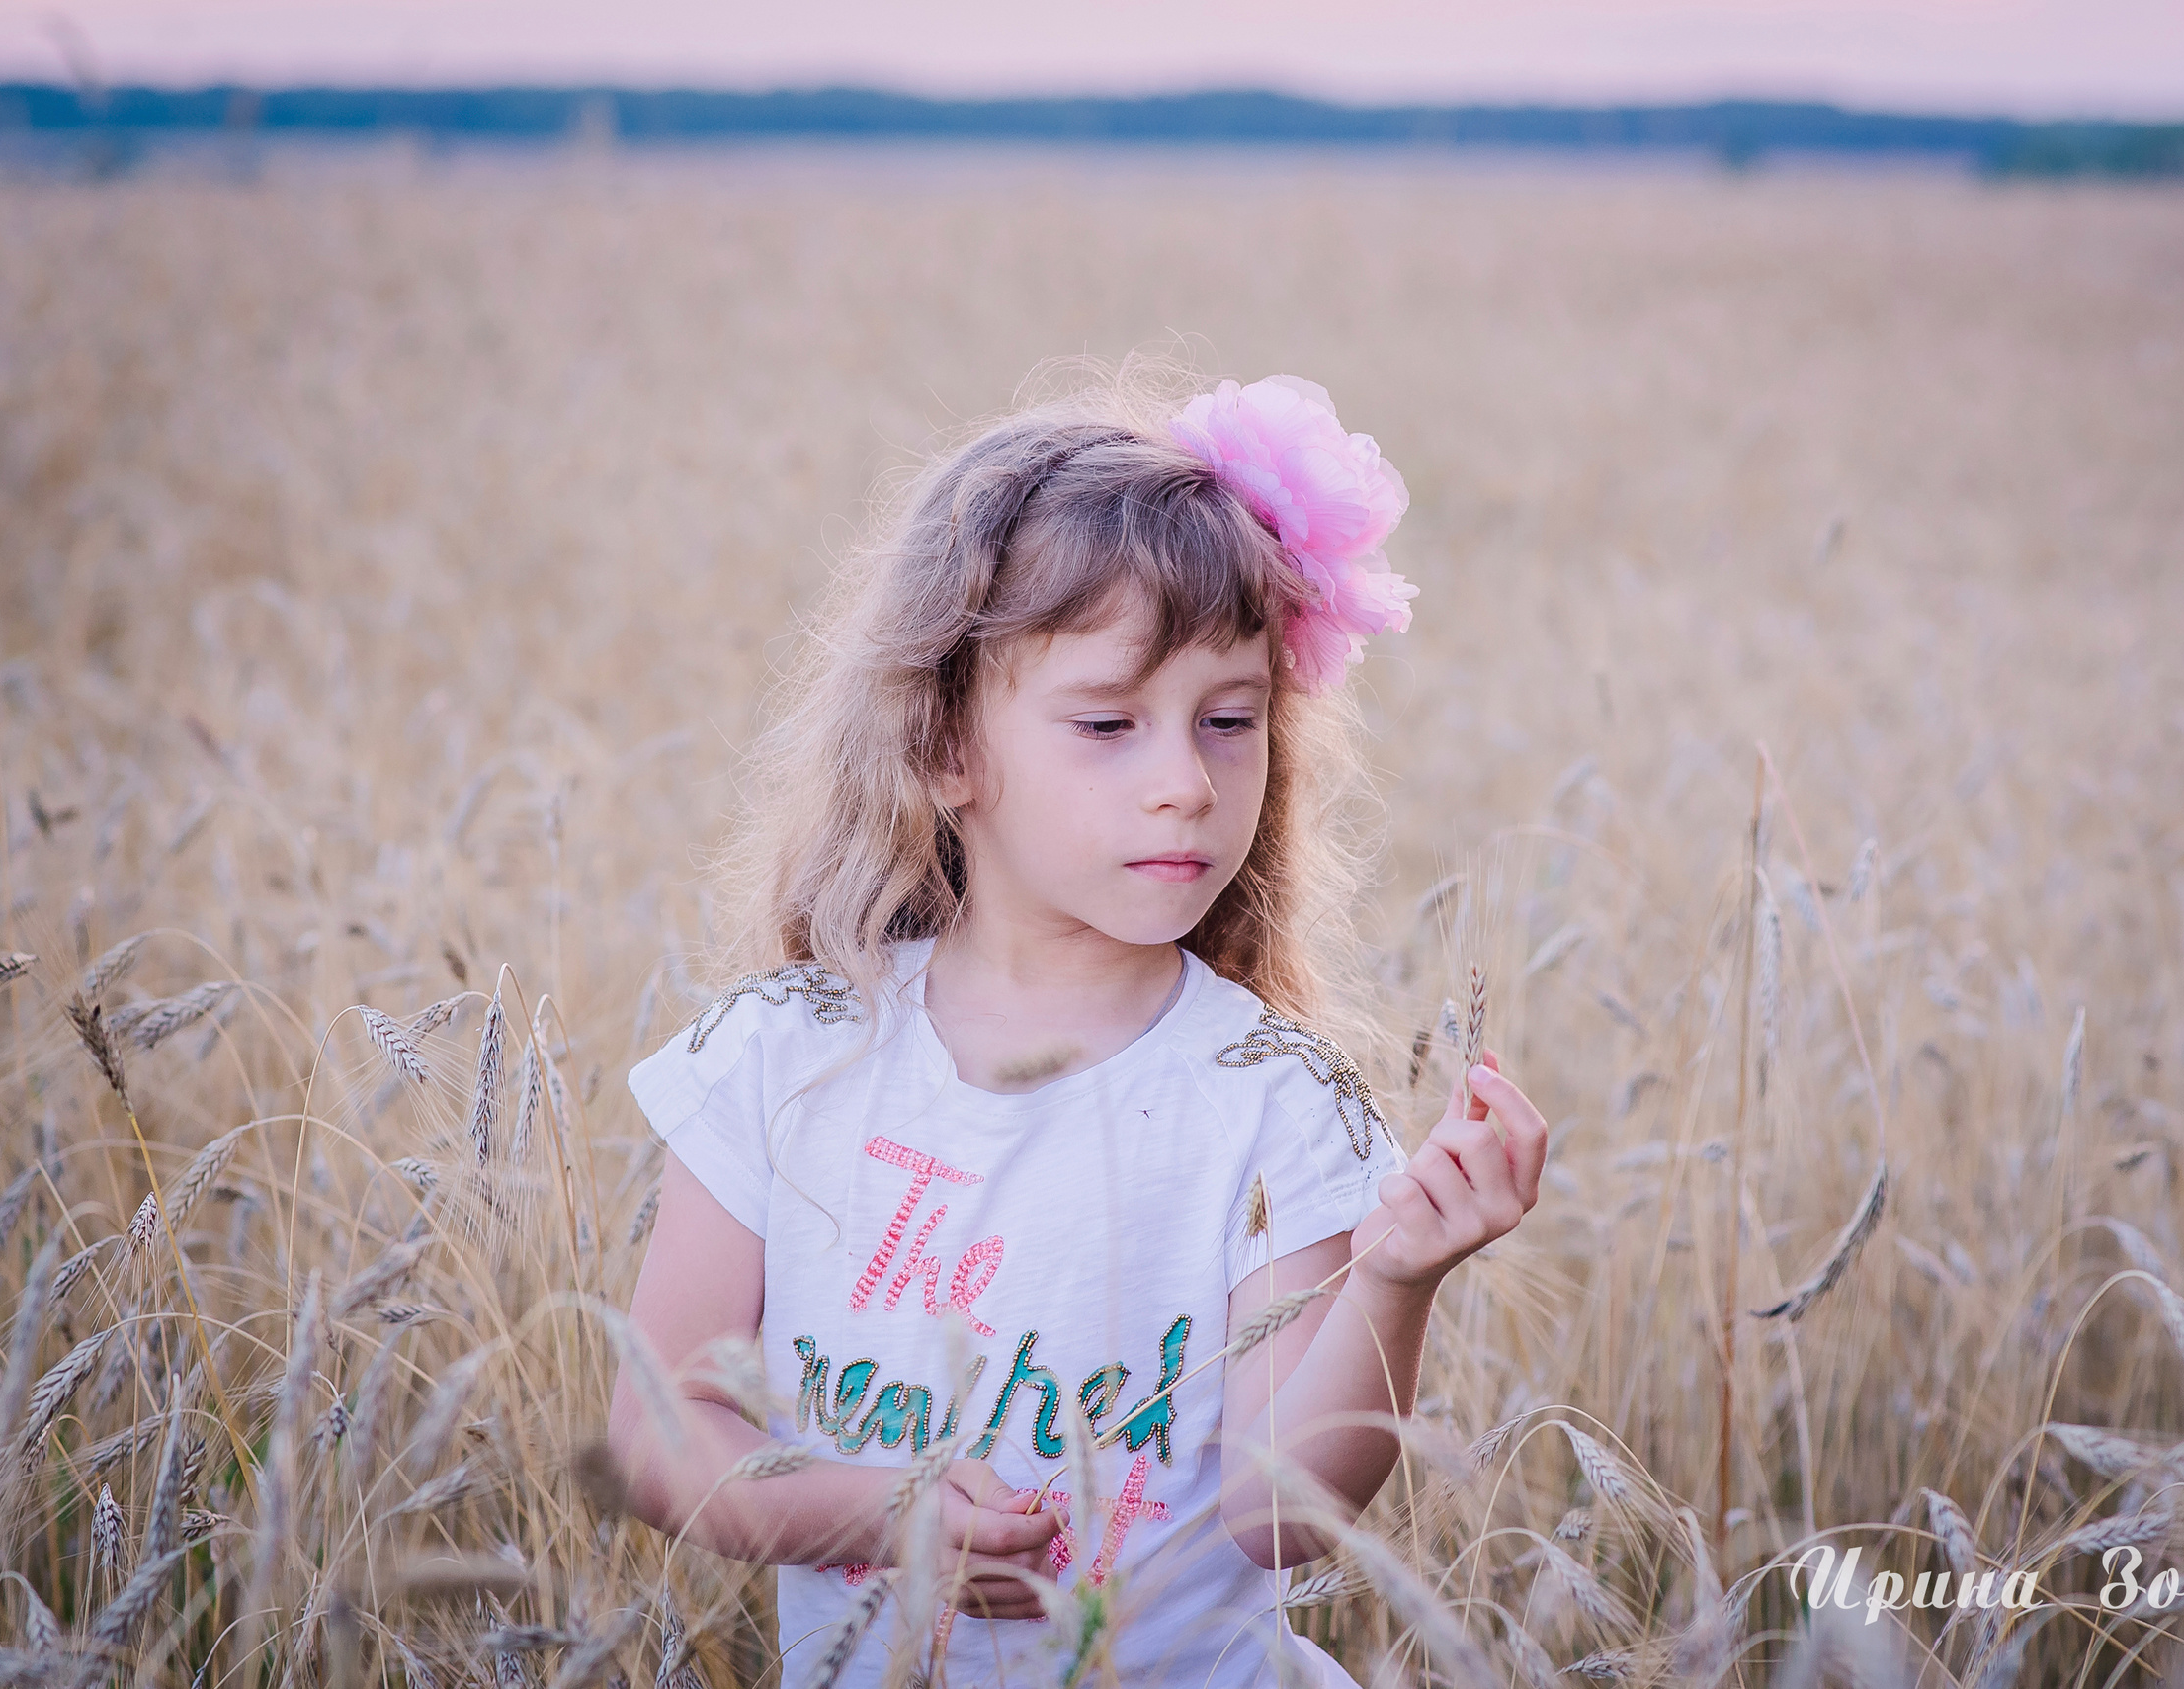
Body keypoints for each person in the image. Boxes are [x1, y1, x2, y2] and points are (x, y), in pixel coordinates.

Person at [610, 366, 1549, 1688]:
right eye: (1108, 723)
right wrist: (888, 1515)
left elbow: (1281, 1516)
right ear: (946, 745)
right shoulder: (783, 1055)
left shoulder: (1271, 1095)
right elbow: (661, 1434)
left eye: (1229, 722)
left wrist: (1396, 1279)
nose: (1182, 783)